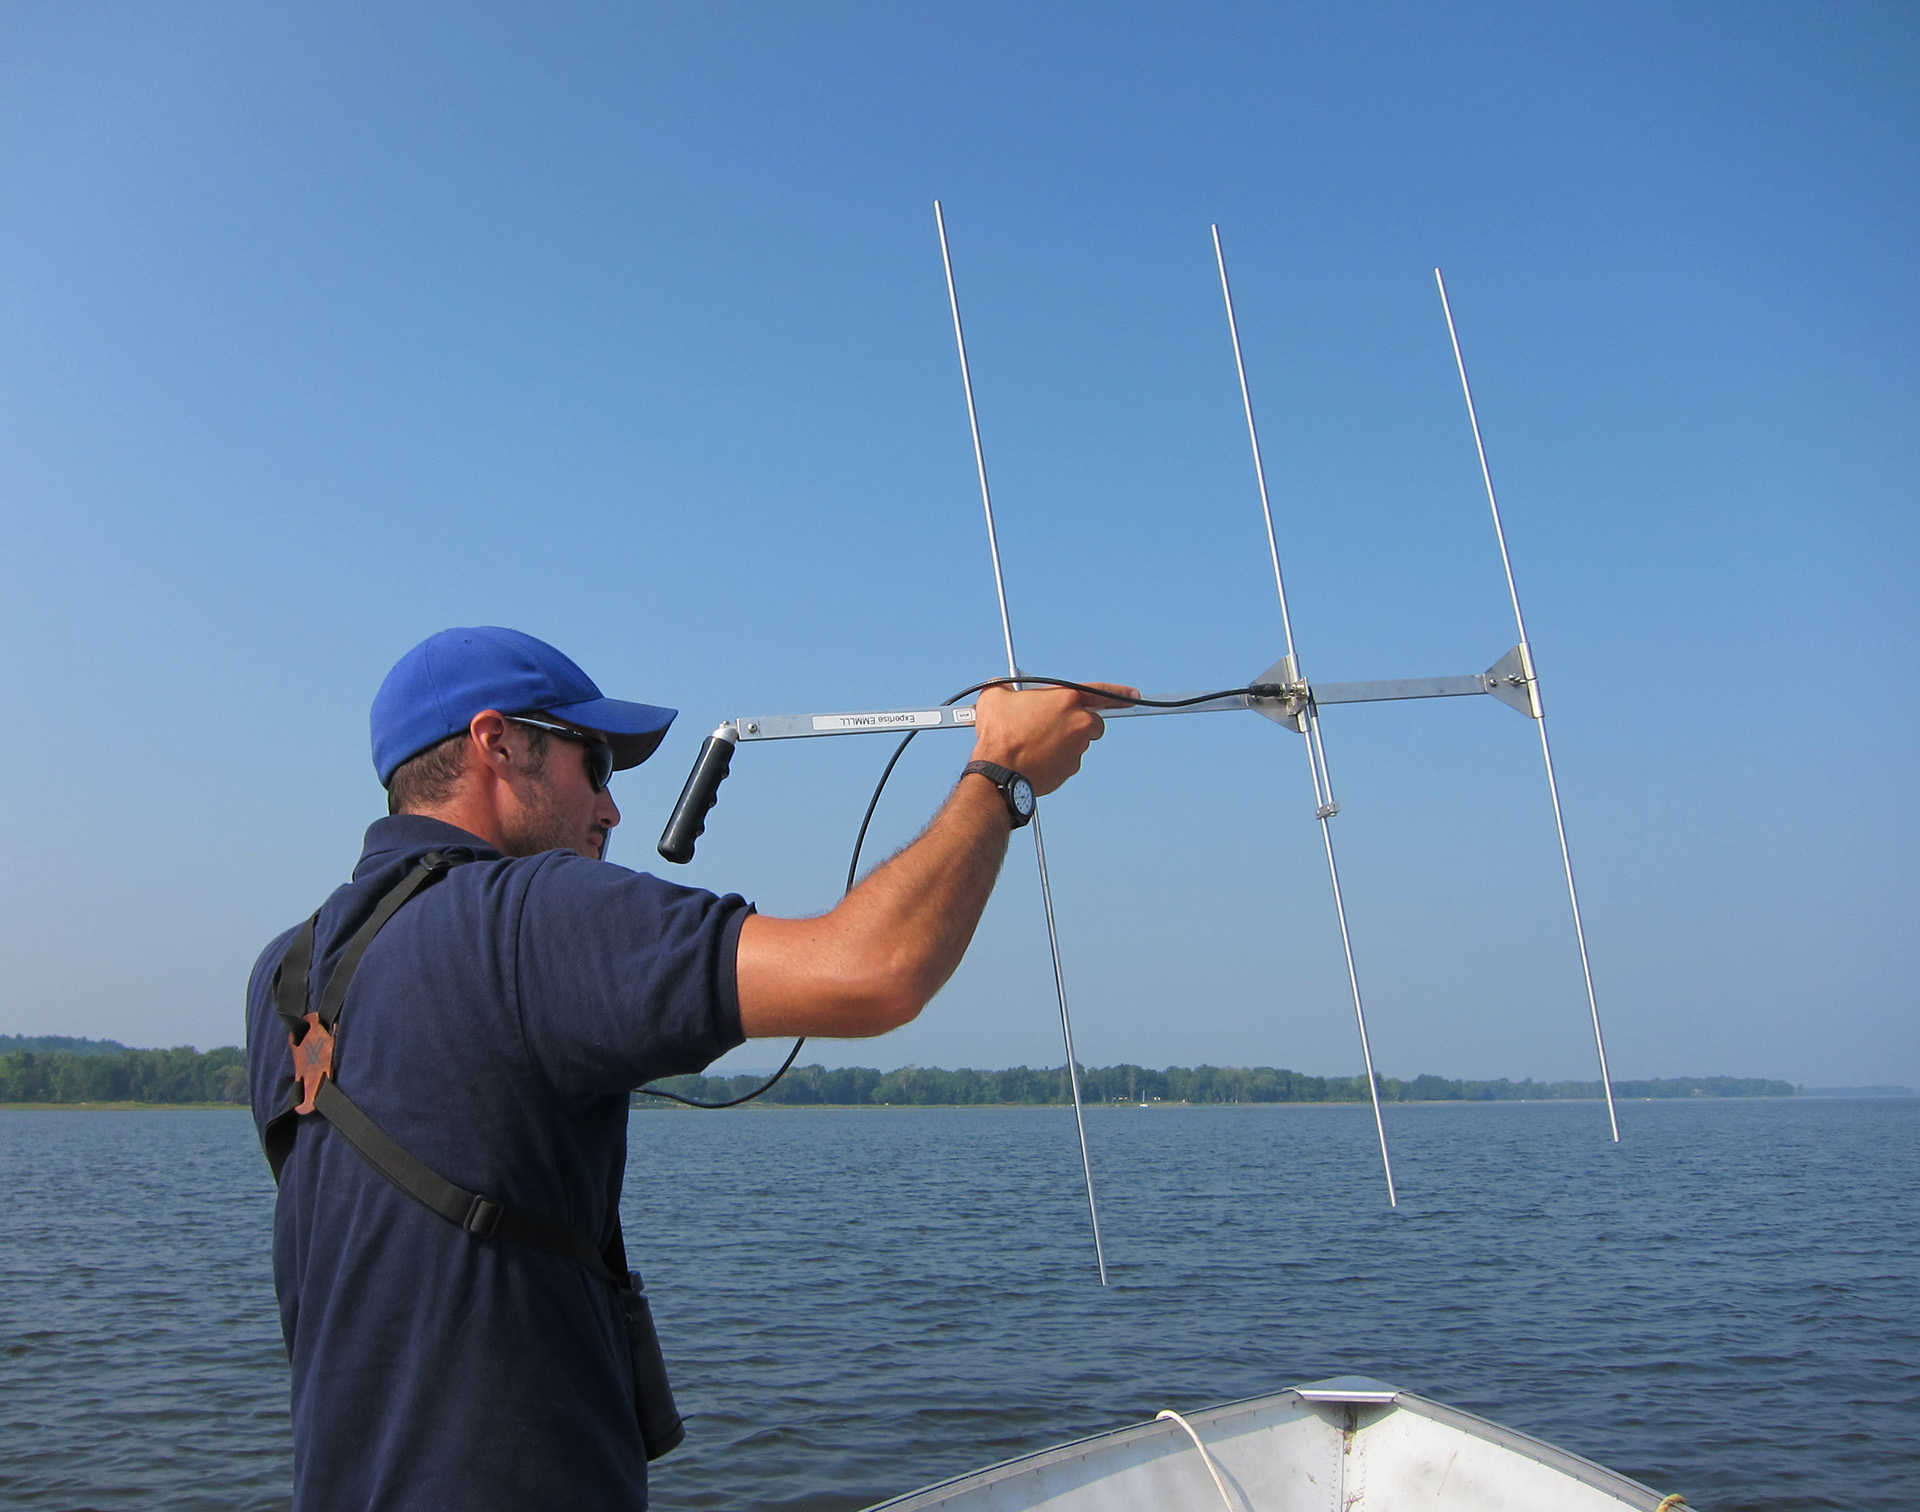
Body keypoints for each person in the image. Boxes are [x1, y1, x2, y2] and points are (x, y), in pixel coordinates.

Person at [245, 625, 1131, 1511]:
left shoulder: (285, 981)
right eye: (593, 764)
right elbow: (875, 969)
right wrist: (1002, 771)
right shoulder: (528, 916)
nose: (612, 808)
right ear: (498, 744)